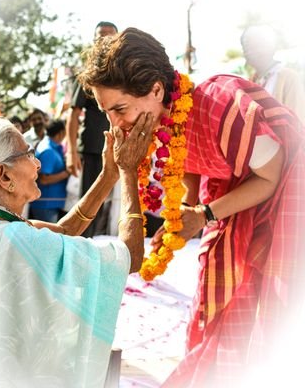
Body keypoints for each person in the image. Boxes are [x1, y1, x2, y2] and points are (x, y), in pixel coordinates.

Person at [78, 27, 305, 387]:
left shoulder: (223, 109)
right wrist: (181, 215)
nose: (116, 124)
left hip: (288, 194)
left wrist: (204, 215)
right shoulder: (160, 124)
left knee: (265, 302)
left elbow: (272, 176)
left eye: (119, 109)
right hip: (232, 196)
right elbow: (190, 169)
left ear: (155, 89)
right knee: (213, 294)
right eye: (108, 113)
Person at [0, 115, 154, 388]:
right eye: (29, 154)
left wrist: (108, 176)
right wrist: (129, 172)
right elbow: (130, 255)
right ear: (3, 175)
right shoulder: (13, 239)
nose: (37, 163)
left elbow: (64, 233)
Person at [66, 21, 118, 237]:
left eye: (109, 35)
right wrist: (71, 151)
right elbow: (73, 114)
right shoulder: (88, 75)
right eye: (100, 35)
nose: (104, 39)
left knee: (115, 207)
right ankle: (81, 250)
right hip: (94, 150)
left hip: (121, 151)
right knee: (89, 203)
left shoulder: (124, 73)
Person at [241, 24, 305, 122]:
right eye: (245, 47)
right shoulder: (250, 82)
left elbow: (297, 124)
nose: (249, 52)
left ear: (271, 46)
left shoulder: (289, 78)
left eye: (255, 45)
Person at [28, 119, 69, 222]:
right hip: (46, 205)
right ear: (61, 133)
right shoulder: (48, 151)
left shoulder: (49, 146)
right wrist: (67, 173)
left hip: (50, 203)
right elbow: (44, 179)